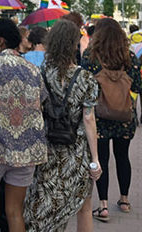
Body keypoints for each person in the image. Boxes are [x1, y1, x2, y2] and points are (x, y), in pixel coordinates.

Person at [0, 17, 48, 232]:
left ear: (1, 41)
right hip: (26, 151)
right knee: (14, 211)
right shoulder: (33, 69)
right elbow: (39, 104)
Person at [24, 19, 101, 231]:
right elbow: (88, 118)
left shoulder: (40, 73)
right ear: (74, 44)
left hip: (47, 147)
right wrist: (95, 159)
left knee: (45, 200)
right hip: (76, 150)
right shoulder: (85, 77)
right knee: (83, 206)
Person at [81, 18, 142, 222]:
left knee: (101, 159)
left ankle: (103, 205)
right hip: (125, 116)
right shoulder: (130, 58)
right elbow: (138, 87)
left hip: (99, 117)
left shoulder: (90, 57)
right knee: (123, 157)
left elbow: (84, 87)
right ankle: (124, 201)